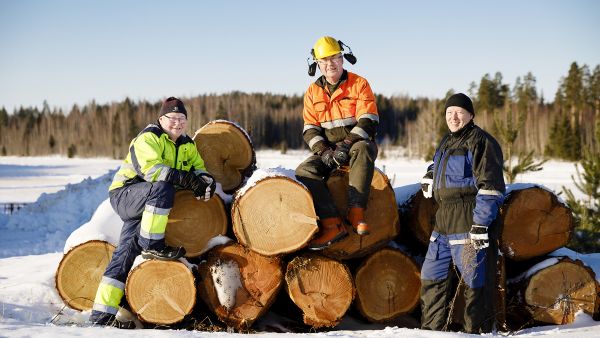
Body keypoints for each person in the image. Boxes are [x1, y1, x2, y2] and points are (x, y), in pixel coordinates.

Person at [88, 97, 216, 328]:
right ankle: (152, 244)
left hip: (150, 205)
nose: (177, 123)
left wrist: (206, 182)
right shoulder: (149, 138)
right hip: (126, 195)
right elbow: (152, 171)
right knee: (163, 186)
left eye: (182, 119)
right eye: (172, 118)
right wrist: (186, 179)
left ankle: (100, 317)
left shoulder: (187, 144)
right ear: (161, 119)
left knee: (124, 254)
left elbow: (199, 168)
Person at [419, 93, 505, 333]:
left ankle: (476, 331)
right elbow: (439, 164)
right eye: (449, 113)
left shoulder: (481, 141)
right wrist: (430, 174)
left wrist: (480, 224)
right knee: (431, 277)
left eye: (459, 112)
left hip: (468, 219)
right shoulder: (447, 141)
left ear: (471, 115)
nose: (453, 117)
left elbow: (491, 186)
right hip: (443, 221)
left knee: (474, 283)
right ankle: (431, 331)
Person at [295, 36, 379, 250]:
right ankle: (332, 224)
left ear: (343, 59)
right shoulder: (312, 93)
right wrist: (323, 151)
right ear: (317, 65)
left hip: (356, 146)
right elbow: (310, 129)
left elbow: (368, 120)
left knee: (364, 147)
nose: (330, 64)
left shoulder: (359, 84)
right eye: (324, 61)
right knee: (305, 171)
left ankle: (356, 211)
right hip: (329, 151)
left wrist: (346, 144)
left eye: (334, 58)